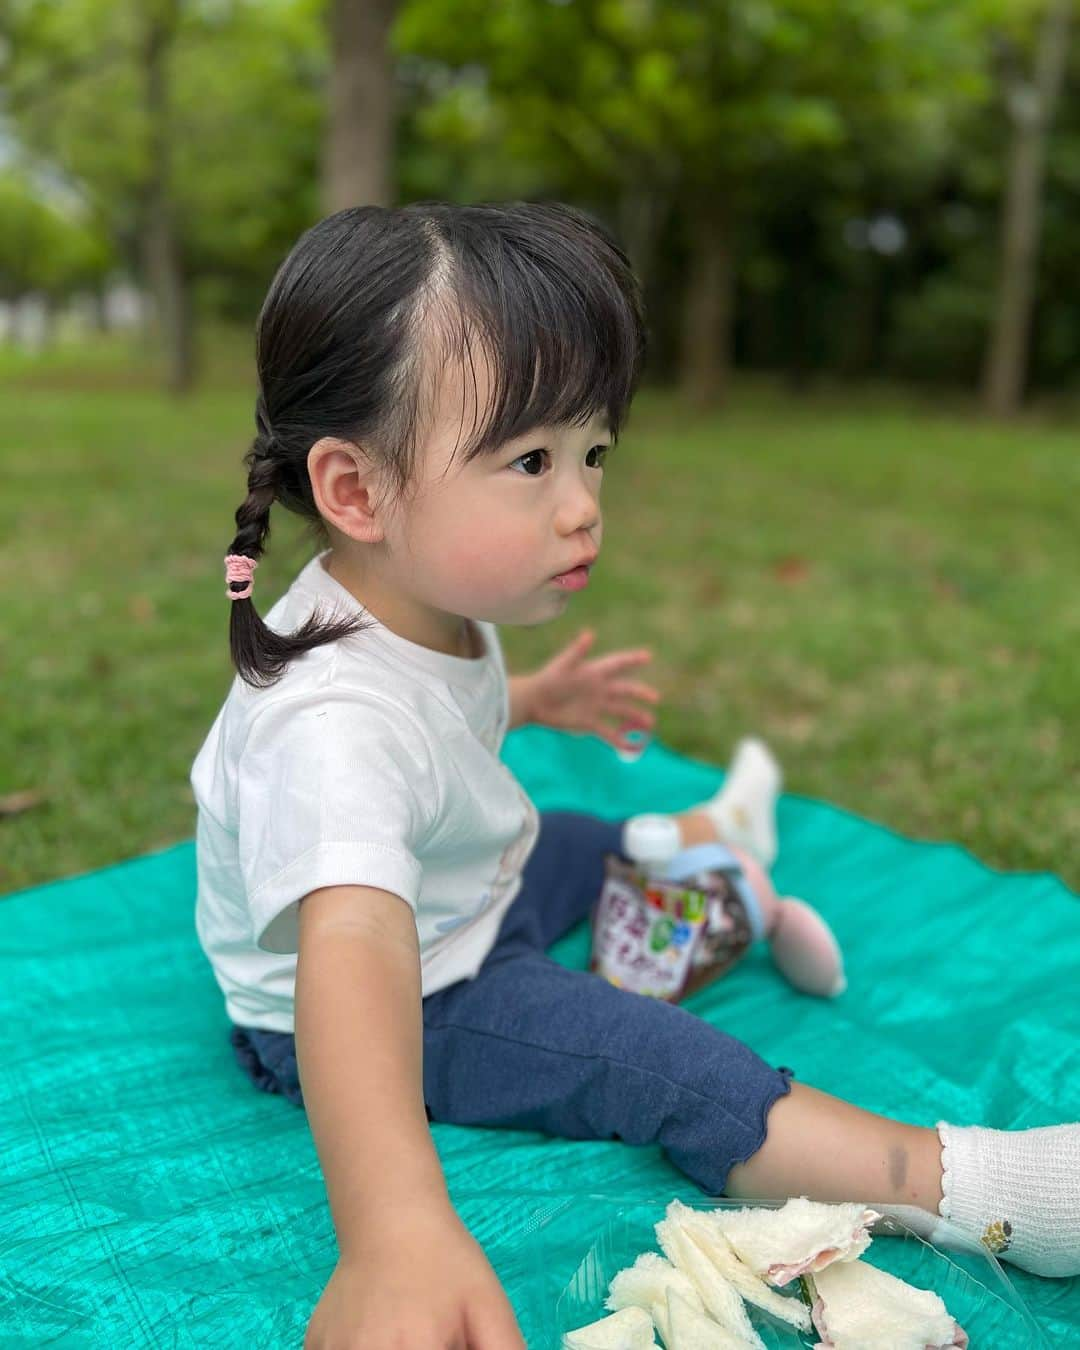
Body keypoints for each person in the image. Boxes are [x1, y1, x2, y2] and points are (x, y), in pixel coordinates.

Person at [191, 202, 1080, 1349]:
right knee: (657, 1064)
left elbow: (418, 748)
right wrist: (394, 1230)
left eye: (593, 451)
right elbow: (355, 947)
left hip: (464, 890)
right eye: (530, 461)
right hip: (406, 997)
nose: (584, 506)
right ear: (358, 491)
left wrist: (528, 702)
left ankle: (710, 847)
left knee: (567, 834)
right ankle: (965, 1187)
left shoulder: (417, 593)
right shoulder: (328, 730)